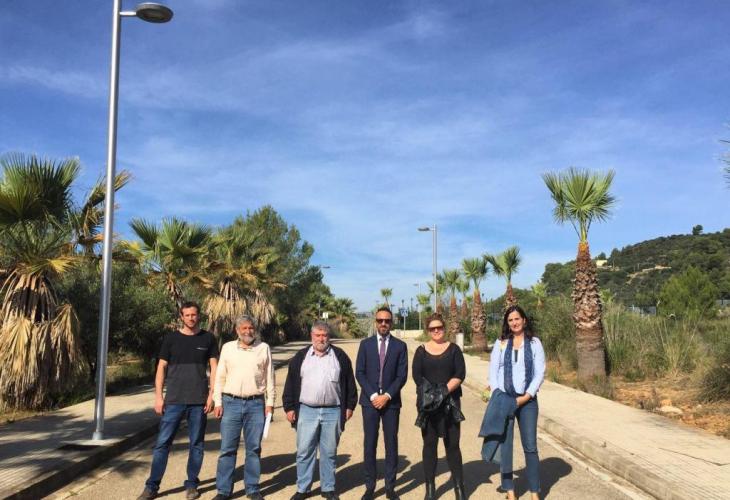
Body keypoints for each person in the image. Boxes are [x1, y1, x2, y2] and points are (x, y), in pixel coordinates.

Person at [138, 302, 218, 500]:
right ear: (181, 317)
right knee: (162, 444)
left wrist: (212, 395)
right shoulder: (171, 338)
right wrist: (159, 396)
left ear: (199, 316)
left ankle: (191, 485)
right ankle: (152, 486)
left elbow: (214, 367)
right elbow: (161, 368)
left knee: (196, 444)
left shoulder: (208, 338)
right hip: (173, 401)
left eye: (194, 314)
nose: (191, 318)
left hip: (199, 401)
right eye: (187, 315)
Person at [283, 321, 358, 500]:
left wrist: (349, 406)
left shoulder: (339, 356)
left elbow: (350, 383)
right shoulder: (301, 356)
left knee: (329, 452)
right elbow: (290, 383)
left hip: (333, 412)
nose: (321, 339)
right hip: (306, 411)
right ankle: (303, 488)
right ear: (312, 336)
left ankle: (328, 488)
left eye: (324, 335)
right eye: (318, 335)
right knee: (304, 451)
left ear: (329, 337)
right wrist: (289, 407)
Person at [212, 315, 275, 500]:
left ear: (255, 329)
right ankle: (223, 491)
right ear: (237, 330)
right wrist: (218, 401)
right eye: (244, 328)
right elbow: (220, 377)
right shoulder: (228, 348)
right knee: (227, 449)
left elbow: (269, 377)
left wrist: (270, 403)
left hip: (256, 404)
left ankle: (252, 489)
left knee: (253, 449)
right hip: (230, 403)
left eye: (251, 328)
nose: (248, 331)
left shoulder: (263, 348)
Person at [488, 305, 546, 500]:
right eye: (510, 320)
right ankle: (509, 490)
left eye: (517, 319)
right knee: (505, 446)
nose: (514, 323)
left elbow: (540, 372)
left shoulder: (534, 343)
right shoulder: (501, 343)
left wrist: (527, 396)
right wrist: (497, 394)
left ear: (524, 320)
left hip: (527, 401)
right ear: (507, 323)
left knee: (530, 447)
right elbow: (493, 371)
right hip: (505, 400)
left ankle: (534, 492)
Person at [355, 307, 408, 500]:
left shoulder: (400, 346)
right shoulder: (365, 344)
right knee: (370, 444)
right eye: (380, 320)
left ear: (391, 323)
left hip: (391, 403)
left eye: (387, 320)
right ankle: (370, 487)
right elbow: (359, 372)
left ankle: (390, 487)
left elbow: (402, 376)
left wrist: (386, 395)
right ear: (375, 322)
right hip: (369, 403)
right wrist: (372, 395)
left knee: (391, 444)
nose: (383, 323)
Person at [412, 313, 466, 500]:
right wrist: (433, 395)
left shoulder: (454, 350)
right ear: (428, 330)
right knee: (429, 446)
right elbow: (417, 377)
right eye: (432, 328)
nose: (436, 331)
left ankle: (459, 487)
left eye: (439, 327)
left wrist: (444, 391)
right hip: (428, 406)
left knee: (453, 446)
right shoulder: (421, 351)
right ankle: (430, 489)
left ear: (444, 328)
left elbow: (460, 373)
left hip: (450, 404)